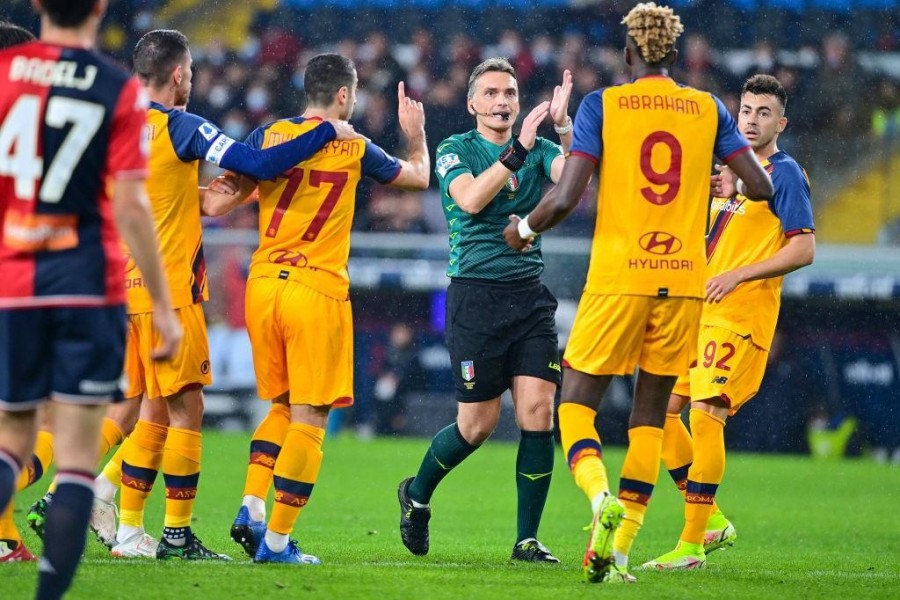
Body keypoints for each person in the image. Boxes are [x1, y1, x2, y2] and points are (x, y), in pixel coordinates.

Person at [502, 2, 773, 583]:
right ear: (675, 55)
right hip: (683, 282)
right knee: (650, 415)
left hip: (619, 275)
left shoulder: (606, 104)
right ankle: (618, 553)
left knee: (574, 402)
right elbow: (759, 184)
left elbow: (565, 196)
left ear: (628, 54)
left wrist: (522, 230)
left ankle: (601, 501)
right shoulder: (707, 108)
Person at [61, 29, 354, 561]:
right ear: (177, 74)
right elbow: (255, 163)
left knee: (144, 407)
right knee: (186, 411)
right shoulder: (184, 127)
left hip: (119, 291)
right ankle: (173, 533)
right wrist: (325, 130)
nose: (193, 80)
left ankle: (120, 522)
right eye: (191, 71)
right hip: (169, 290)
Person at [205, 53, 429, 565]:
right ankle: (277, 544)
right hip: (316, 288)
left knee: (280, 407)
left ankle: (251, 507)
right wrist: (414, 132)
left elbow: (216, 202)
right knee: (311, 416)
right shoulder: (353, 145)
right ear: (345, 95)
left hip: (264, 285)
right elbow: (418, 177)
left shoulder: (267, 138)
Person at [0, 0, 181, 596]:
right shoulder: (116, 87)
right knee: (77, 454)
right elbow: (130, 205)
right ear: (100, 8)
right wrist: (160, 301)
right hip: (83, 284)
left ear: (37, 5)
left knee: (12, 437)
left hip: (15, 279)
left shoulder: (8, 72)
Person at [398, 57, 574, 564]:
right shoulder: (457, 149)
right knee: (477, 426)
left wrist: (563, 130)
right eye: (492, 93)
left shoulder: (540, 150)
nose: (503, 102)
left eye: (511, 94)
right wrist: (519, 151)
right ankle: (416, 494)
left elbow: (574, 185)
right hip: (475, 298)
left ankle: (527, 540)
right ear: (473, 103)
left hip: (529, 299)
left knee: (539, 412)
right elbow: (472, 200)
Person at [646, 74, 815, 571]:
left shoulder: (785, 173)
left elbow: (803, 248)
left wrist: (740, 274)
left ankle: (692, 546)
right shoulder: (735, 173)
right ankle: (712, 518)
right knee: (659, 412)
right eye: (746, 110)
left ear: (780, 123)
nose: (752, 119)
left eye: (764, 113)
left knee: (706, 414)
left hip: (740, 315)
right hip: (699, 310)